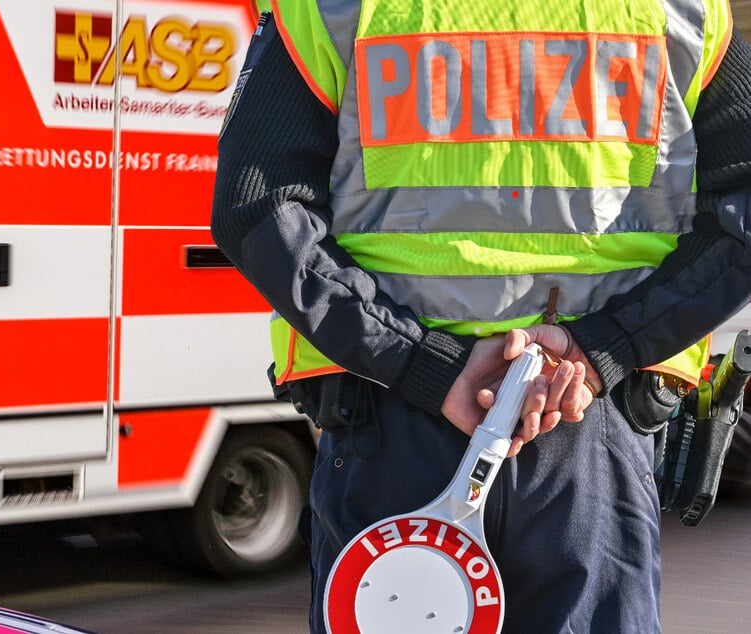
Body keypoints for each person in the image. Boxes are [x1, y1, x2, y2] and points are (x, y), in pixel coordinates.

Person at [211, 0, 751, 631]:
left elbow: (256, 209)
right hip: (588, 428)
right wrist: (601, 348)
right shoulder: (678, 11)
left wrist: (424, 366)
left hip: (389, 422)